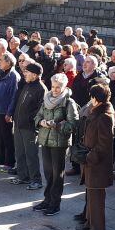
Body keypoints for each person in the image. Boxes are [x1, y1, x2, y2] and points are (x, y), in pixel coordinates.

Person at [35, 73, 80, 217]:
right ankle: (47, 199)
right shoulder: (46, 98)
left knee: (57, 175)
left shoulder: (68, 102)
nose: (54, 90)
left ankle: (55, 204)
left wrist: (57, 125)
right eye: (53, 86)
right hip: (45, 139)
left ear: (64, 86)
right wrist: (41, 122)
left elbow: (74, 124)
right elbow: (37, 116)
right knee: (48, 173)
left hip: (60, 143)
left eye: (58, 87)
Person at [80, 84, 115, 230]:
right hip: (92, 162)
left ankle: (97, 229)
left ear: (96, 98)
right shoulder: (98, 112)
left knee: (96, 198)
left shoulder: (105, 117)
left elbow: (104, 144)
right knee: (91, 194)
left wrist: (89, 157)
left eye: (92, 96)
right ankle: (89, 223)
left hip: (97, 164)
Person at [10, 62, 47, 190]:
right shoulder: (27, 85)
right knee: (19, 152)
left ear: (35, 75)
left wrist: (30, 120)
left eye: (27, 72)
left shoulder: (41, 89)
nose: (24, 74)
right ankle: (23, 176)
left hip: (30, 128)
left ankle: (36, 180)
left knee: (31, 154)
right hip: (19, 125)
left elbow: (40, 110)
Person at [0, 53, 20, 171]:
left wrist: (9, 113)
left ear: (8, 62)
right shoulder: (1, 73)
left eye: (1, 60)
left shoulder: (13, 76)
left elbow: (14, 96)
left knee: (7, 137)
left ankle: (9, 161)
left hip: (5, 112)